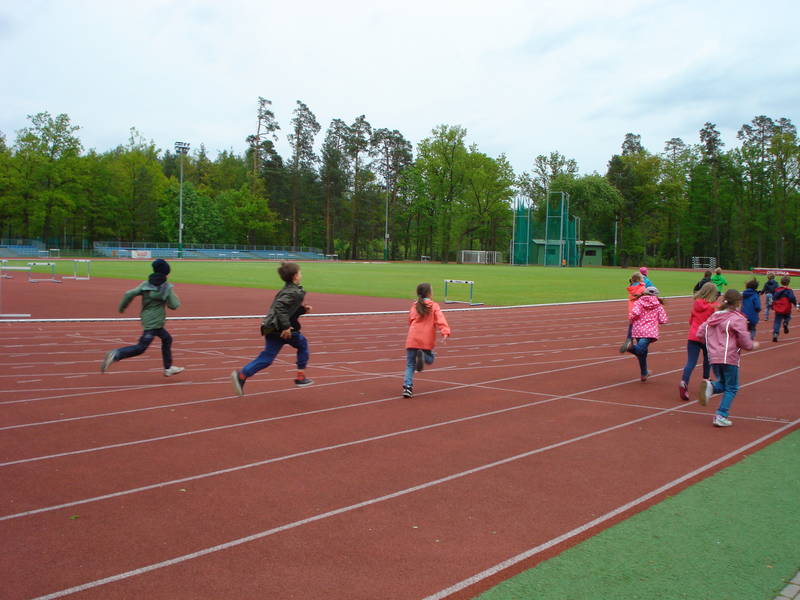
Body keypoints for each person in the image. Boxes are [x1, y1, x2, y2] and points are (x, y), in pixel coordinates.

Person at [230, 262, 313, 395]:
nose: (301, 274)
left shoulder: (287, 289)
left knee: (267, 358)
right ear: (295, 276)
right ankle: (300, 377)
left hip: (270, 327)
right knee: (302, 344)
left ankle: (242, 375)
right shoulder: (294, 292)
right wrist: (286, 327)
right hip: (282, 329)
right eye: (300, 272)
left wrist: (302, 310)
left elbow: (287, 309)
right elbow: (280, 307)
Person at [101, 258, 184, 376]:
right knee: (141, 348)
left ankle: (168, 368)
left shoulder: (146, 284)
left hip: (148, 318)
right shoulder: (166, 287)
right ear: (166, 272)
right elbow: (174, 305)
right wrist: (171, 295)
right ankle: (116, 354)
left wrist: (122, 307)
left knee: (167, 339)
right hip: (154, 323)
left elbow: (129, 293)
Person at [697, 289, 759, 427]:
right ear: (738, 303)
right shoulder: (738, 319)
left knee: (724, 384)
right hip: (729, 356)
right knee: (732, 388)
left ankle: (712, 386)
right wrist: (752, 345)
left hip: (714, 357)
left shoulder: (714, 316)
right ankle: (721, 415)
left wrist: (711, 344)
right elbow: (744, 340)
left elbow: (700, 333)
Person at [403, 282, 451, 398]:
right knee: (430, 359)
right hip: (426, 339)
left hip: (413, 337)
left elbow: (410, 320)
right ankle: (424, 356)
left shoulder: (414, 305)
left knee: (410, 364)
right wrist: (445, 332)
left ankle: (407, 387)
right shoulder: (434, 306)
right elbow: (440, 319)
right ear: (429, 293)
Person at [678, 282, 718, 401]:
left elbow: (690, 321)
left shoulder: (696, 304)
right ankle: (706, 380)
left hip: (693, 335)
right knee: (707, 360)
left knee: (691, 362)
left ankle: (684, 381)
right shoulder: (713, 307)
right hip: (707, 337)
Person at [624, 286, 668, 382]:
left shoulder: (638, 302)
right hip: (649, 332)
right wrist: (655, 320)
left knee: (643, 353)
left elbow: (635, 314)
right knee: (640, 350)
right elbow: (663, 320)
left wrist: (632, 318)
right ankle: (630, 347)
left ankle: (644, 373)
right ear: (656, 295)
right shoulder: (658, 305)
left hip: (638, 330)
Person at [619, 272, 646, 353]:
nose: (643, 279)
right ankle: (639, 344)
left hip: (632, 310)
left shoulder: (631, 288)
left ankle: (629, 339)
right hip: (640, 310)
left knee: (632, 325)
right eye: (642, 278)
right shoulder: (642, 288)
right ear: (639, 279)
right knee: (640, 327)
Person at [771, 276, 798, 343]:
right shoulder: (789, 290)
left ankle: (775, 334)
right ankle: (785, 322)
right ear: (788, 283)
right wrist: (795, 304)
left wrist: (772, 305)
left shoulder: (777, 290)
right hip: (786, 308)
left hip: (778, 308)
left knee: (777, 322)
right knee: (788, 317)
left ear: (781, 282)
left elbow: (774, 298)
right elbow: (792, 298)